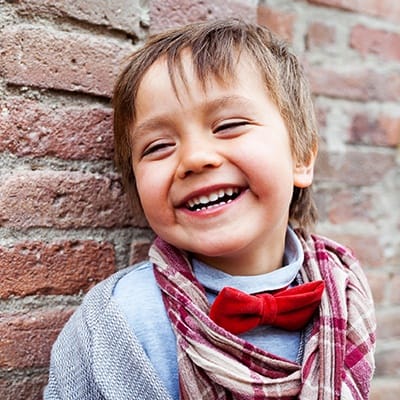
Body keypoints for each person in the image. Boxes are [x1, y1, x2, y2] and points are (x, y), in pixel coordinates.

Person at [44, 19, 376, 399]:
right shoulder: (118, 323)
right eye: (157, 147)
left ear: (300, 157)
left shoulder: (345, 293)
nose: (195, 158)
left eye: (229, 125)